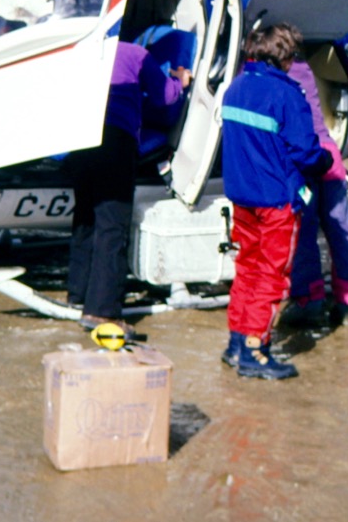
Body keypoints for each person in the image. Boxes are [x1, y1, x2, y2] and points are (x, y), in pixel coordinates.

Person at [220, 23, 332, 380]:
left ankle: (237, 342)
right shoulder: (287, 95)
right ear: (285, 56)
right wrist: (326, 160)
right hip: (275, 202)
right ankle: (256, 348)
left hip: (243, 197)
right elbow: (306, 152)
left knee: (247, 268)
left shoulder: (234, 88)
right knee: (272, 274)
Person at [68, 38, 191, 334]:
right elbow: (164, 96)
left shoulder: (82, 49)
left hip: (80, 138)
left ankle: (77, 293)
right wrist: (182, 82)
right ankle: (101, 311)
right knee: (112, 226)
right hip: (115, 139)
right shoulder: (136, 54)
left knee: (85, 217)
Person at [283, 51, 348, 329]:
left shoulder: (269, 74)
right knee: (341, 229)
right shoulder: (304, 67)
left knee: (304, 232)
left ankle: (310, 300)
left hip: (303, 157)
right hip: (329, 152)